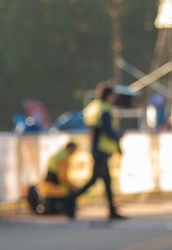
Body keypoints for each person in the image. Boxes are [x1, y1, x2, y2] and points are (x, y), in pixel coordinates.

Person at [78, 81, 125, 219]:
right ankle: (68, 200)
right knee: (93, 181)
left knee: (107, 181)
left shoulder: (94, 107)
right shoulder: (104, 109)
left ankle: (112, 210)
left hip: (98, 149)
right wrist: (119, 135)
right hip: (101, 150)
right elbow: (108, 131)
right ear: (109, 96)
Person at [39, 141, 79, 218]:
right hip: (56, 186)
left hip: (49, 185)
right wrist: (73, 186)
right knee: (71, 193)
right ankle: (69, 213)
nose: (75, 152)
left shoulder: (59, 154)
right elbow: (63, 177)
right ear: (71, 148)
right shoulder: (64, 157)